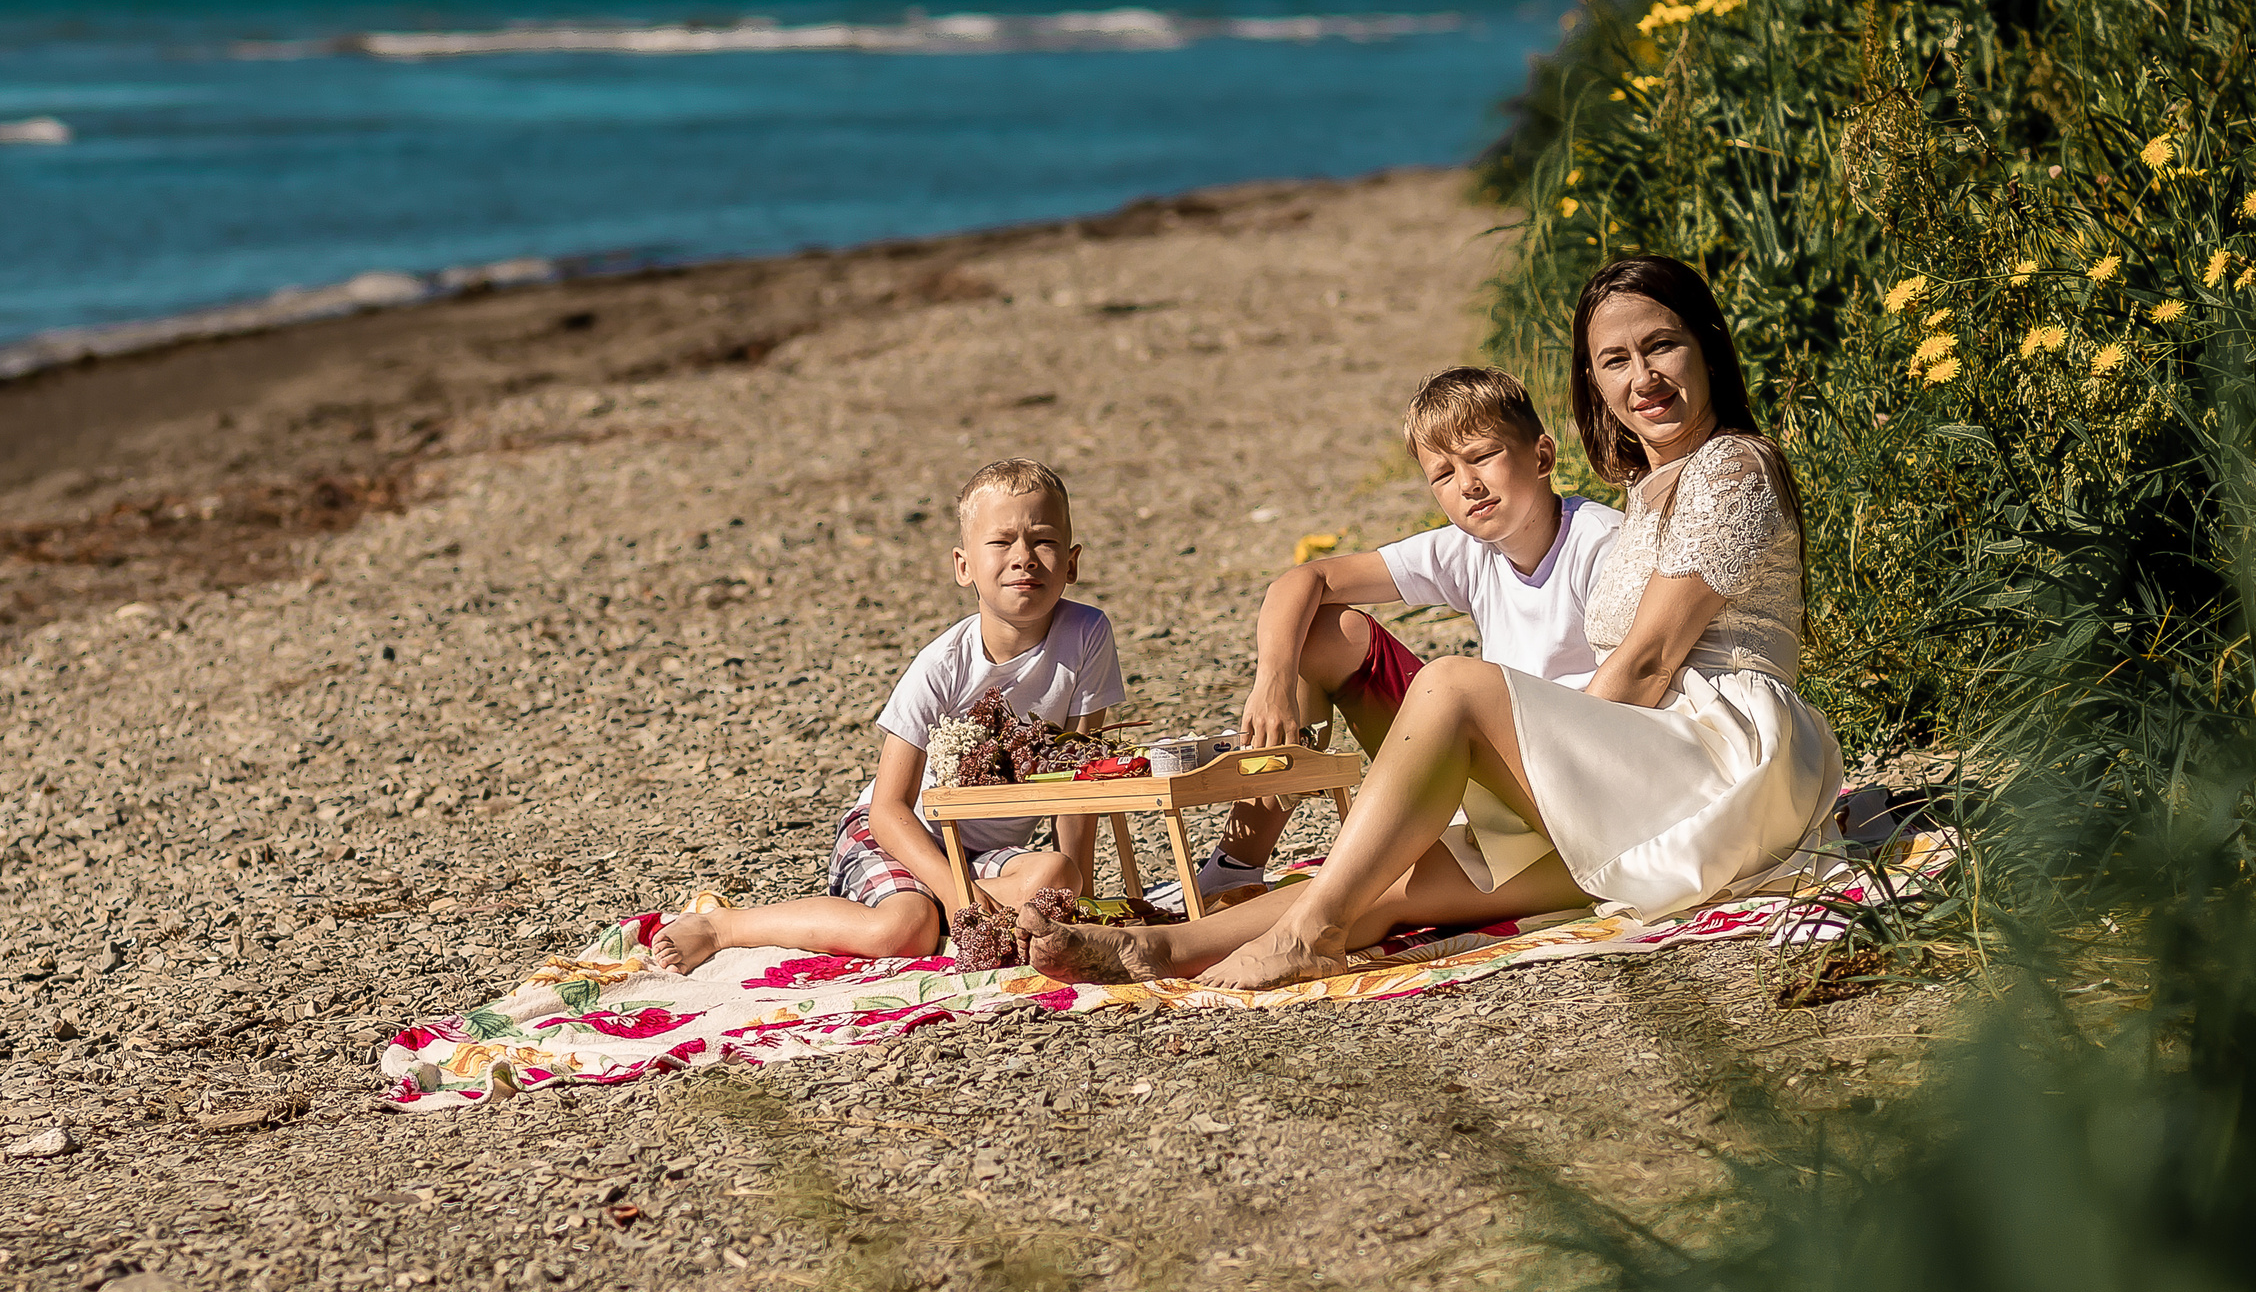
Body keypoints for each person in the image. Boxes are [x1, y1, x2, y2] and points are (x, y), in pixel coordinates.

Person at [1024, 256, 1843, 990]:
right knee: (1394, 880)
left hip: (1716, 762)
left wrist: (1548, 777)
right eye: (1615, 361)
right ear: (1593, 381)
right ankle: (1160, 949)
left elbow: (1650, 661)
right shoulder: (1652, 484)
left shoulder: (1730, 467)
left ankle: (1309, 935)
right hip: (1659, 769)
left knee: (1453, 685)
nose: (1644, 378)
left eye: (1661, 346)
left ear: (1706, 346)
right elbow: (1310, 581)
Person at [648, 458, 1121, 975]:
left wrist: (1083, 908)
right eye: (1001, 541)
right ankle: (724, 926)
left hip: (983, 854)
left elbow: (1080, 788)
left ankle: (952, 916)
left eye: (1044, 541)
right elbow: (888, 809)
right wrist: (956, 892)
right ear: (963, 566)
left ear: (1071, 562)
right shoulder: (942, 665)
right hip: (897, 837)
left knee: (1057, 877)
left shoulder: (1087, 635)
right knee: (904, 930)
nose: (1023, 558)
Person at [1187, 366, 1623, 902]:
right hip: (1495, 775)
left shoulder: (1600, 545)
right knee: (1324, 633)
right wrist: (1272, 683)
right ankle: (1236, 864)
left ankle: (1409, 853)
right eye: (1443, 474)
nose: (1468, 484)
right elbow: (1304, 580)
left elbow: (1630, 705)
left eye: (1483, 456)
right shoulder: (1472, 548)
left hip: (1577, 793)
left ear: (1543, 457)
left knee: (1455, 684)